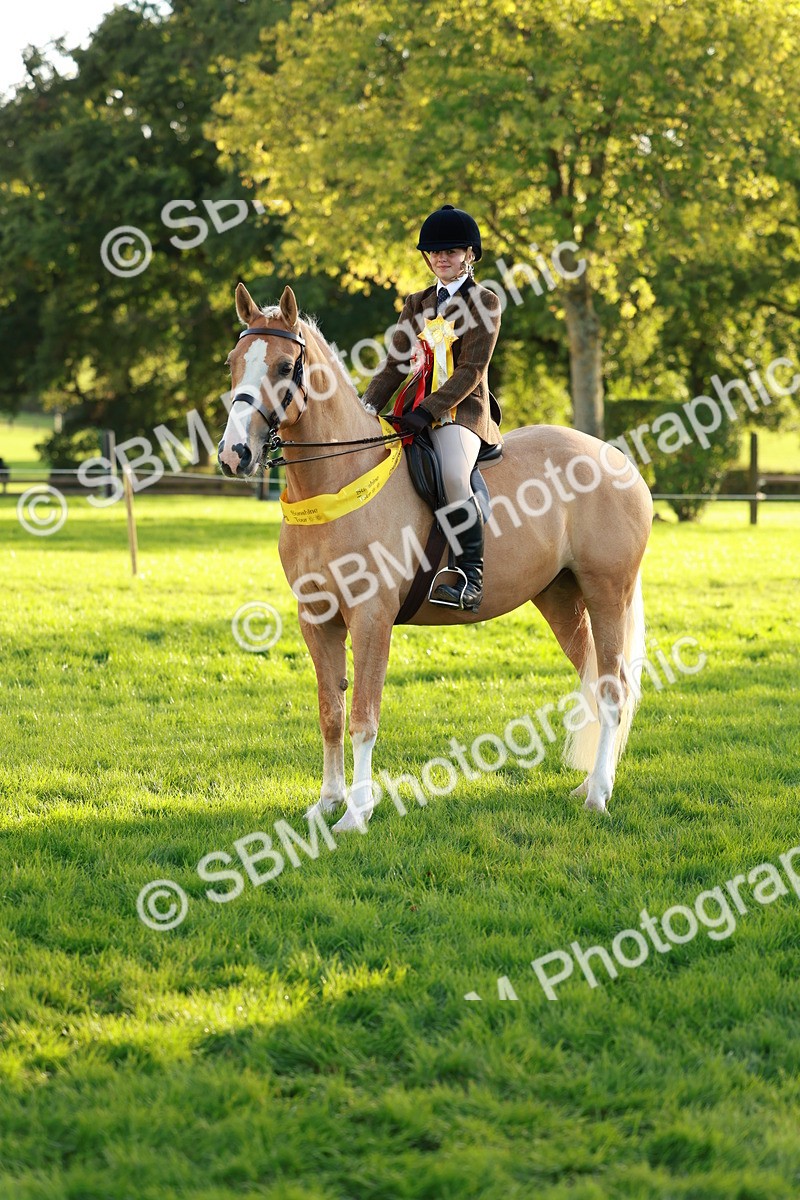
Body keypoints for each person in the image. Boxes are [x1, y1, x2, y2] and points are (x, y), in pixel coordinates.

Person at [361, 204, 502, 612]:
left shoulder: (485, 302)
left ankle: (469, 579)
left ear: (469, 255)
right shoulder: (416, 303)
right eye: (435, 252)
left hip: (463, 413)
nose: (442, 257)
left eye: (452, 250)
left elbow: (472, 370)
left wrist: (430, 411)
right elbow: (394, 365)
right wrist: (367, 406)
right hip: (414, 410)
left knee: (454, 477)